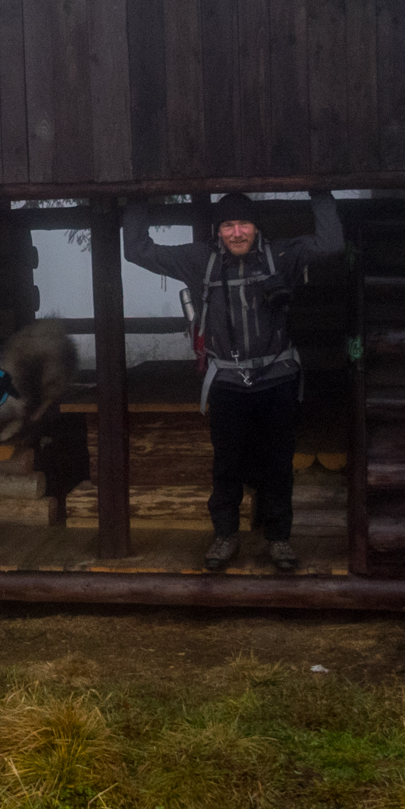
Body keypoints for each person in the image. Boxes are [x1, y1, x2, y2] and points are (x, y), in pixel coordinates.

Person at [122, 191, 344, 572]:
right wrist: (136, 195)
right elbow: (138, 250)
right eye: (228, 225)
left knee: (277, 465)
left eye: (244, 224)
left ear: (256, 227)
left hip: (277, 378)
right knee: (226, 465)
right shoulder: (199, 260)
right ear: (217, 229)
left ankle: (278, 540)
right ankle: (225, 536)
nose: (237, 232)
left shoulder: (283, 256)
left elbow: (331, 244)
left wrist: (320, 193)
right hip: (226, 379)